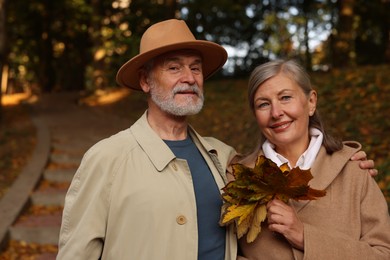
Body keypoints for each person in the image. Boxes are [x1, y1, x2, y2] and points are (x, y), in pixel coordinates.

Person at [57, 19, 376, 259]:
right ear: (145, 80)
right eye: (174, 67)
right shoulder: (107, 158)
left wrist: (342, 164)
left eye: (195, 68)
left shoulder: (225, 158)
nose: (189, 78)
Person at [234, 59, 390, 259]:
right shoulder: (238, 178)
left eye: (286, 98)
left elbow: (383, 254)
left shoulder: (353, 170)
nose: (276, 113)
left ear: (311, 102)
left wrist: (304, 236)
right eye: (263, 104)